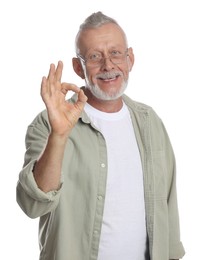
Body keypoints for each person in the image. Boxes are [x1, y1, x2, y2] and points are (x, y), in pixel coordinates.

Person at [16, 11, 185, 260]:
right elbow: (33, 205)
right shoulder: (48, 125)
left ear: (130, 59)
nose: (108, 65)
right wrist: (59, 135)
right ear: (78, 67)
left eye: (116, 53)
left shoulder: (150, 122)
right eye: (95, 57)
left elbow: (168, 203)